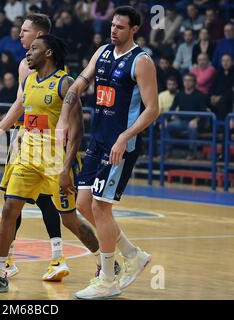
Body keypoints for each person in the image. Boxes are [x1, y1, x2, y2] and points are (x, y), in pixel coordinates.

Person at [0, 34, 112, 293]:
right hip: (28, 157)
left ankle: (105, 264)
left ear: (48, 53)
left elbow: (78, 130)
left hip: (55, 161)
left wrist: (66, 168)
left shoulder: (65, 83)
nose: (28, 52)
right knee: (9, 210)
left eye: (35, 48)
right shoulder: (28, 81)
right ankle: (0, 272)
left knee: (69, 219)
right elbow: (21, 111)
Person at [60, 6, 158, 299]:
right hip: (99, 140)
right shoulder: (102, 52)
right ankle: (133, 255)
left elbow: (152, 110)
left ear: (134, 30)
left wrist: (125, 137)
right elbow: (80, 82)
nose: (113, 30)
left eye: (120, 27)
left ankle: (108, 278)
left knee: (101, 207)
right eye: (112, 25)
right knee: (84, 204)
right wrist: (64, 115)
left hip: (120, 146)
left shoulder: (141, 61)